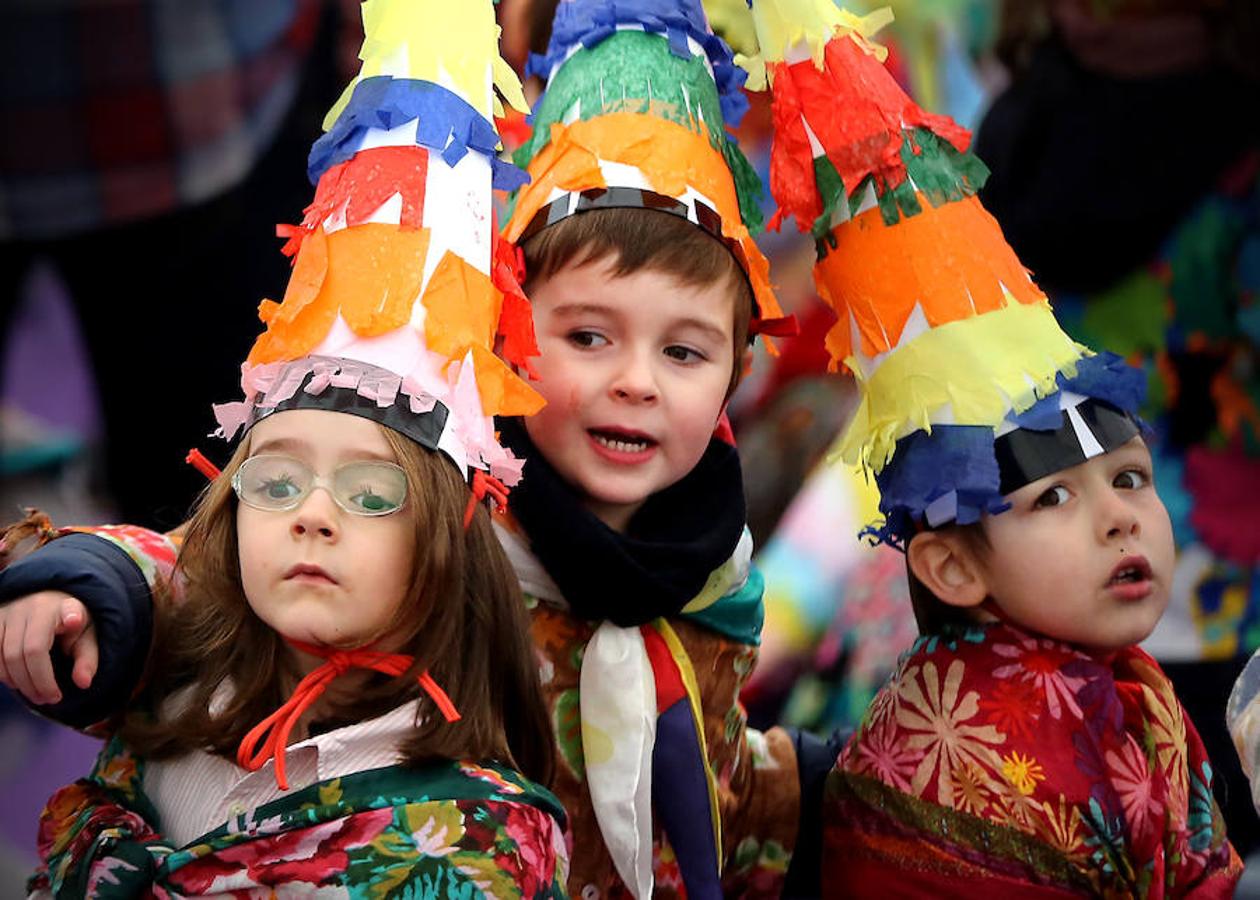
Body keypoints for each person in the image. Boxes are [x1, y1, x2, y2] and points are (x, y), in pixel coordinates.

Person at [5, 0, 570, 894]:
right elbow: (167, 571)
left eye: (372, 494)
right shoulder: (174, 682)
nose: (311, 514)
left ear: (455, 537)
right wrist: (84, 585)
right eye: (272, 481)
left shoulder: (480, 845)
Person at [740, 1, 1241, 892]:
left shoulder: (1147, 697)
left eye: (1130, 479)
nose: (1121, 518)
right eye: (1057, 495)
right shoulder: (948, 766)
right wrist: (768, 625)